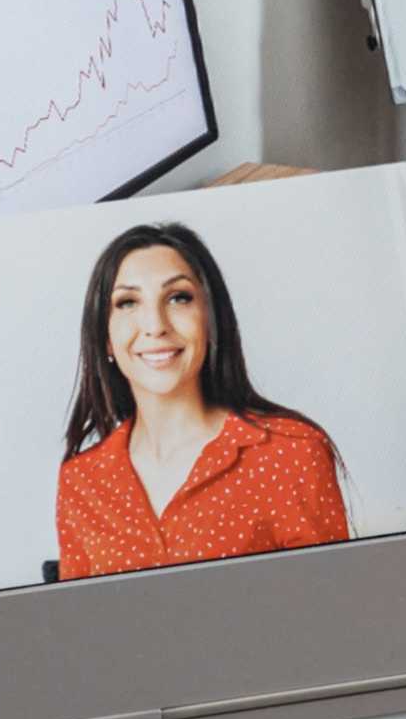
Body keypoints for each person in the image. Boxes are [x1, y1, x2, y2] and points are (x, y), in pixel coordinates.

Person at [47, 219, 349, 575]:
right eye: (127, 302)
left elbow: (331, 611)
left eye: (178, 298)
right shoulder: (80, 482)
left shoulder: (291, 452)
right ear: (106, 338)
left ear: (210, 319)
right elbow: (80, 625)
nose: (155, 325)